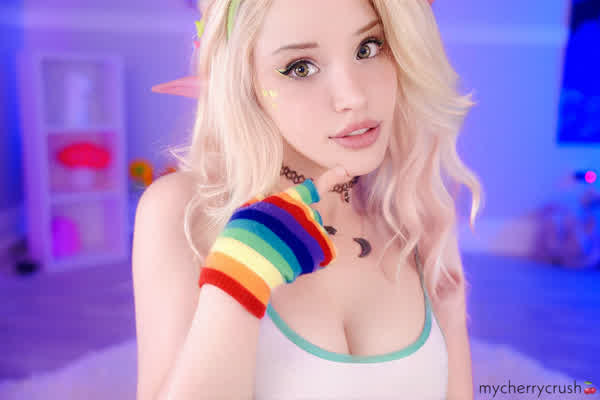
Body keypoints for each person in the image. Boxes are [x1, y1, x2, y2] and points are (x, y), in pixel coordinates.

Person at [132, 0, 484, 399]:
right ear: (244, 81)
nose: (353, 96)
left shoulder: (414, 215)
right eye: (300, 67)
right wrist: (235, 285)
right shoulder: (184, 212)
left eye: (369, 47)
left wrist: (452, 312)